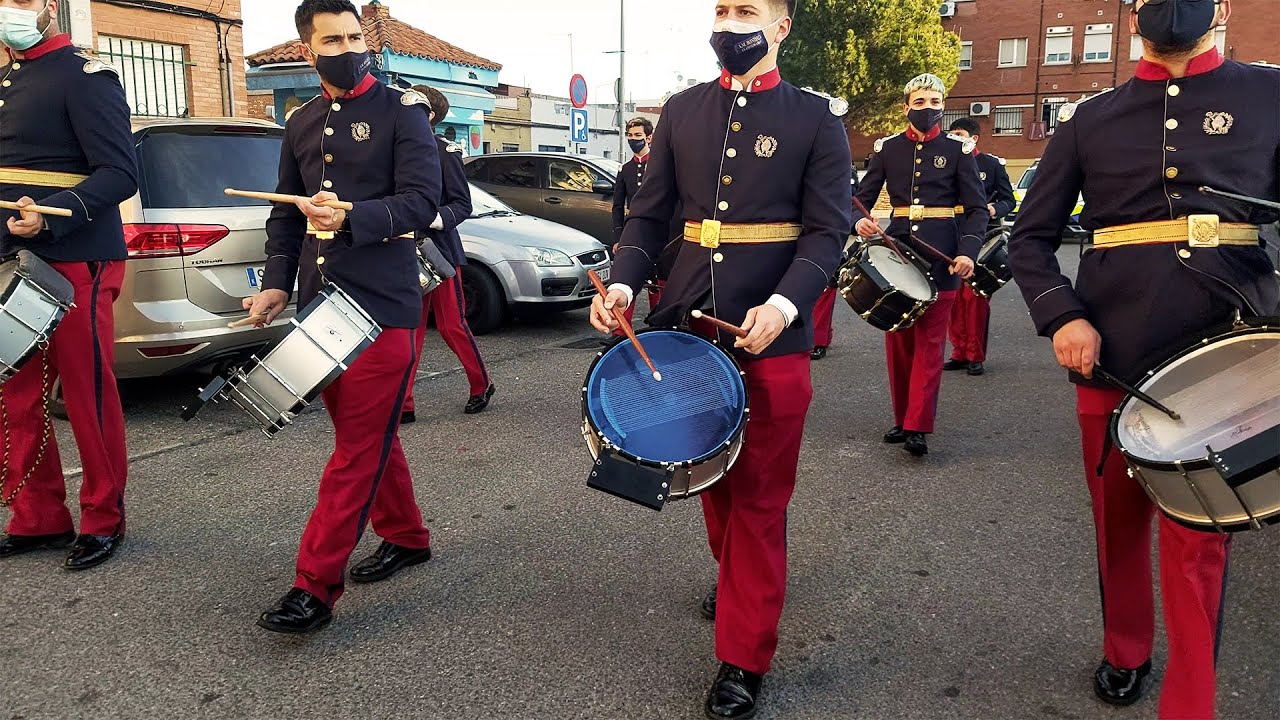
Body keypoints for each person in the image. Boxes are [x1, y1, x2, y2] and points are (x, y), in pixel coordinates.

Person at [1007, 1, 1278, 716]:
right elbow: (1028, 239)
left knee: (1201, 546)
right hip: (1111, 351)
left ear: (1220, 8)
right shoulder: (1090, 119)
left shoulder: (1272, 94)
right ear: (1133, 14)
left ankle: (1191, 703)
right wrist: (1061, 314)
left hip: (1230, 354)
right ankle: (1125, 646)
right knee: (1117, 522)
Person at [590, 1, 851, 716]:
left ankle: (743, 659)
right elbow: (649, 214)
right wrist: (621, 281)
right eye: (723, 7)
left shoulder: (816, 120)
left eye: (749, 9)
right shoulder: (681, 110)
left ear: (782, 26)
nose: (732, 20)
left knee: (761, 502)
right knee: (709, 486)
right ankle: (741, 580)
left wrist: (788, 305)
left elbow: (827, 235)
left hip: (769, 340)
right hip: (686, 334)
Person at [242, 0, 441, 634]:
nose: (348, 47)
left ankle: (314, 585)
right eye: (333, 39)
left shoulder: (402, 114)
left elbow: (424, 201)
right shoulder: (300, 121)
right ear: (309, 50)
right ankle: (407, 536)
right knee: (368, 435)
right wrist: (276, 283)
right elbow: (283, 214)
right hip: (322, 305)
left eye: (355, 36)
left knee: (356, 449)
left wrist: (354, 216)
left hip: (385, 306)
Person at [0, 0, 137, 570]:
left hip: (76, 254)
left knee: (85, 391)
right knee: (15, 392)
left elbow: (121, 173)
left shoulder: (86, 78)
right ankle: (38, 518)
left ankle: (104, 518)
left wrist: (54, 211)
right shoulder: (9, 81)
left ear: (50, 9)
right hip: (11, 255)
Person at [852, 73, 986, 457]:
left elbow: (977, 210)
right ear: (906, 106)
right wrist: (857, 221)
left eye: (934, 102)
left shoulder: (958, 151)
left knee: (930, 343)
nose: (928, 109)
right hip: (898, 255)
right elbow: (858, 198)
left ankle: (918, 425)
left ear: (943, 105)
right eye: (920, 102)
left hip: (943, 257)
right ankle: (902, 417)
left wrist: (968, 251)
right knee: (899, 341)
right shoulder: (888, 149)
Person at [400, 84, 495, 421]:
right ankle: (405, 402)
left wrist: (433, 218)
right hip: (401, 250)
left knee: (452, 324)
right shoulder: (394, 149)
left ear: (429, 116)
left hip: (438, 251)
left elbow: (461, 203)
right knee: (409, 328)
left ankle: (480, 383)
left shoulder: (445, 151)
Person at [943, 117, 1013, 376]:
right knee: (952, 298)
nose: (955, 137)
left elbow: (1009, 200)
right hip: (949, 236)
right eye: (952, 133)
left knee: (976, 299)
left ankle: (975, 355)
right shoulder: (945, 162)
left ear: (974, 138)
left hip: (981, 238)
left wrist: (995, 208)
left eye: (959, 133)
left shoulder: (991, 165)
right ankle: (958, 352)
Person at [609, 116, 682, 338]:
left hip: (667, 235)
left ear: (649, 137)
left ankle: (661, 328)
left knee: (661, 282)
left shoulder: (661, 166)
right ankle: (620, 333)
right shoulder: (626, 170)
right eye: (630, 136)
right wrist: (620, 237)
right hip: (636, 233)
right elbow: (617, 206)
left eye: (638, 136)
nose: (633, 140)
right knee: (628, 279)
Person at [810, 168, 861, 361]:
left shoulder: (844, 168)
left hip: (830, 226)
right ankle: (821, 333)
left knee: (825, 286)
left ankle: (818, 339)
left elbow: (850, 200)